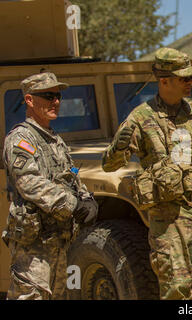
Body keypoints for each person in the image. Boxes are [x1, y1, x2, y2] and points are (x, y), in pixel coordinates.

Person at [102, 48, 192, 300]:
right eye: (184, 78)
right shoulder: (140, 117)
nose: (190, 83)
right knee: (175, 288)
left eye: (191, 78)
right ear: (164, 80)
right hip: (169, 219)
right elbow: (109, 165)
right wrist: (120, 146)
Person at [1, 72, 98, 300]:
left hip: (59, 241)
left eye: (57, 96)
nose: (55, 101)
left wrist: (87, 198)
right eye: (48, 96)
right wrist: (73, 205)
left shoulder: (55, 140)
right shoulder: (20, 139)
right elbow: (29, 183)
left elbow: (70, 176)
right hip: (34, 245)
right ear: (29, 100)